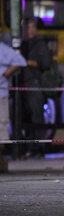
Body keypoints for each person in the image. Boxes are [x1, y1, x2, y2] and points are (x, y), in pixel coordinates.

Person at [21, 17, 53, 158]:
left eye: (33, 26)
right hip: (22, 86)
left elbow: (46, 64)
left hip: (35, 85)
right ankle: (28, 148)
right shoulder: (22, 44)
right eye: (27, 27)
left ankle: (39, 149)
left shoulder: (40, 44)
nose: (30, 30)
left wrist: (26, 62)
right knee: (24, 119)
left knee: (37, 118)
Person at [0, 41, 26, 171]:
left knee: (2, 126)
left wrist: (5, 74)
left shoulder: (3, 49)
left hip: (1, 93)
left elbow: (21, 61)